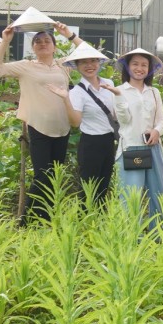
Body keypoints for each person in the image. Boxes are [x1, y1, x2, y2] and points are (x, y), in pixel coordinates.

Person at [0, 12, 87, 224]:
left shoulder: (63, 65)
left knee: (55, 176)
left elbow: (87, 54)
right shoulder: (26, 66)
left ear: (54, 46)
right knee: (42, 175)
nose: (43, 44)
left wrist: (68, 34)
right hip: (38, 127)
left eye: (47, 41)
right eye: (38, 42)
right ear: (33, 47)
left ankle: (46, 218)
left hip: (62, 127)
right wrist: (5, 41)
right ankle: (25, 220)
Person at [47, 44, 119, 206]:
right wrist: (66, 99)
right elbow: (75, 122)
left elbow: (115, 114)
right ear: (77, 66)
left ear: (99, 63)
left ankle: (100, 225)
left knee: (103, 187)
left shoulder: (109, 84)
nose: (89, 65)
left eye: (93, 61)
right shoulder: (77, 92)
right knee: (88, 189)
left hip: (109, 142)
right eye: (83, 62)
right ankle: (85, 225)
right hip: (91, 144)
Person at [112, 48, 163, 229]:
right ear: (127, 67)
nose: (139, 68)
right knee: (131, 197)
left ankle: (158, 236)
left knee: (158, 194)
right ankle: (130, 237)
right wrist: (119, 97)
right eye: (135, 64)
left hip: (153, 148)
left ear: (149, 69)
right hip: (131, 148)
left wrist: (157, 131)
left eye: (144, 65)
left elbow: (161, 119)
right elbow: (124, 121)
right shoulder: (119, 90)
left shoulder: (154, 92)